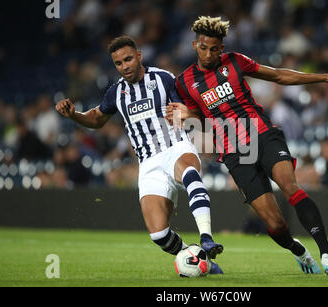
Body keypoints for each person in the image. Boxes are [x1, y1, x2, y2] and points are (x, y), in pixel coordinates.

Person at [166, 16, 328, 275]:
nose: (208, 54)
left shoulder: (235, 61)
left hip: (262, 134)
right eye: (203, 47)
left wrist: (323, 77)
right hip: (235, 152)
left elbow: (278, 76)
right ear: (194, 44)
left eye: (214, 49)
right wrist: (189, 115)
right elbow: (204, 119)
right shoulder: (184, 81)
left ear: (222, 48)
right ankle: (298, 250)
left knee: (290, 186)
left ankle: (327, 253)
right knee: (275, 223)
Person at [56, 35, 223, 273]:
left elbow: (190, 111)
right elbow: (96, 118)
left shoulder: (163, 78)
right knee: (159, 234)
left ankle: (206, 237)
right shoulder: (116, 92)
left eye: (128, 59)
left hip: (174, 146)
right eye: (118, 63)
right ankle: (198, 259)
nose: (124, 66)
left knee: (189, 173)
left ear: (139, 56)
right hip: (148, 163)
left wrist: (185, 114)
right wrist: (74, 115)